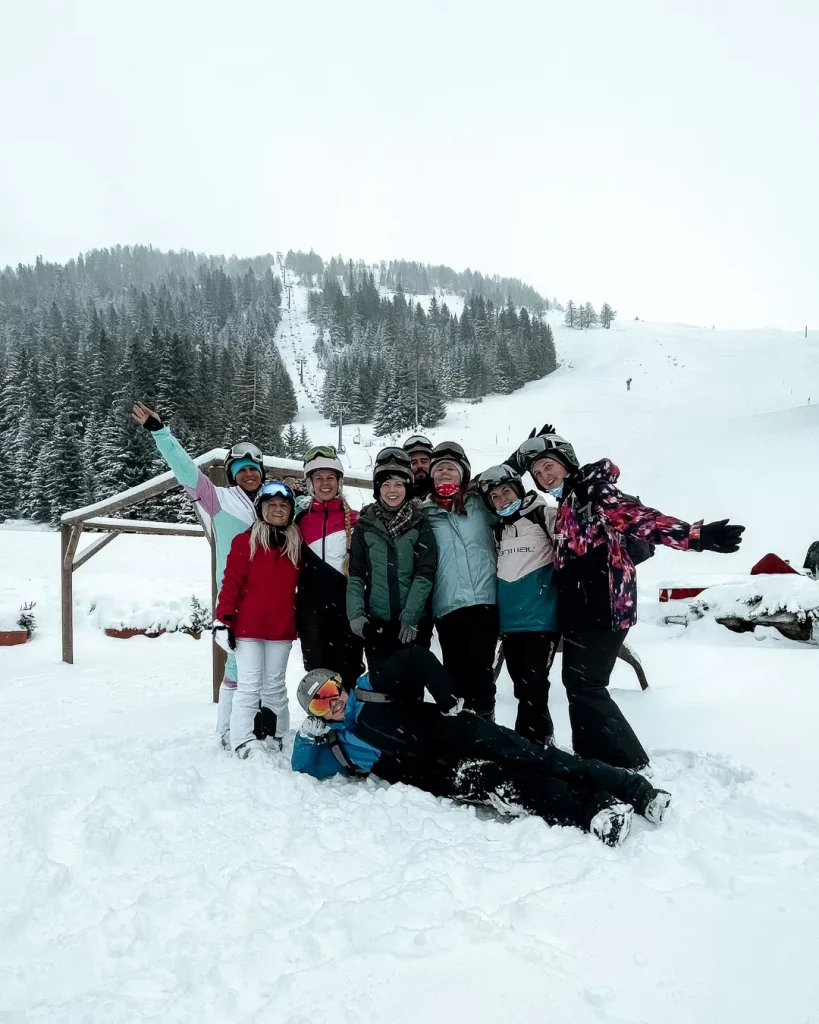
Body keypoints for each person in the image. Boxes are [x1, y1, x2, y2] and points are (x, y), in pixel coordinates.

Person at [516, 433, 745, 769]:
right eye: (537, 473)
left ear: (566, 462)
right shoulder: (567, 502)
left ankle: (629, 763)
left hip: (604, 603)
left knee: (587, 685)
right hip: (581, 606)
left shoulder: (592, 490)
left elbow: (637, 518)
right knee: (577, 684)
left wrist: (692, 536)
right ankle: (592, 757)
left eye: (548, 466)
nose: (544, 476)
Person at [291, 651, 672, 847]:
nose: (332, 703)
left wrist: (444, 697)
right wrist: (307, 738)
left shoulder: (367, 687)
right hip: (441, 774)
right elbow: (304, 770)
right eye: (319, 705)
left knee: (539, 757)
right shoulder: (340, 749)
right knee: (513, 787)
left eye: (330, 692)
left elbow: (416, 659)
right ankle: (597, 810)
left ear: (340, 686)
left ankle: (634, 790)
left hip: (458, 732)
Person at [131, 401, 264, 747]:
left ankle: (255, 725)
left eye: (254, 469)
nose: (249, 474)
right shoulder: (218, 499)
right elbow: (186, 472)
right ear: (234, 473)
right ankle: (227, 730)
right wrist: (161, 433)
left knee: (261, 668)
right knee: (236, 667)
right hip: (235, 599)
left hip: (268, 601)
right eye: (243, 469)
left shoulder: (273, 506)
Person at [213, 481, 301, 757]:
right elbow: (231, 584)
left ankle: (276, 734)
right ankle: (242, 739)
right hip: (247, 628)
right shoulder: (245, 541)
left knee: (275, 685)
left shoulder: (296, 544)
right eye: (271, 505)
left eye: (283, 505)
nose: (277, 509)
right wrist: (222, 620)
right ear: (260, 509)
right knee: (249, 685)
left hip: (281, 628)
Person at [477, 464, 560, 746]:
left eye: (506, 492)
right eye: (495, 497)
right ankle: (537, 742)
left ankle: (532, 743)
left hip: (541, 619)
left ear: (518, 490)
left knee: (534, 686)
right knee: (520, 686)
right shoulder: (498, 529)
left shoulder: (542, 514)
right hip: (510, 623)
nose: (502, 500)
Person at [421, 441, 498, 719]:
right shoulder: (423, 513)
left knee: (481, 672)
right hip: (447, 604)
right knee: (455, 678)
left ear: (463, 474)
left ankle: (488, 731)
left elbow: (508, 496)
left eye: (450, 469)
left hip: (484, 601)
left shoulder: (480, 505)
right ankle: (465, 736)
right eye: (439, 469)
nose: (444, 473)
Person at [347, 448, 437, 670]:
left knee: (412, 686)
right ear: (378, 489)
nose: (392, 490)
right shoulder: (365, 523)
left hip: (413, 623)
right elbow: (356, 573)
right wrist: (355, 614)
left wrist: (411, 615)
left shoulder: (419, 521)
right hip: (377, 623)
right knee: (383, 689)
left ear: (407, 487)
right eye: (386, 484)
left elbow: (425, 572)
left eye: (398, 484)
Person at [295, 444, 363, 689]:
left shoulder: (356, 520)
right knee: (317, 671)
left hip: (345, 607)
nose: (325, 483)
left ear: (339, 482)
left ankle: (349, 721)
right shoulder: (300, 520)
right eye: (319, 478)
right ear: (310, 483)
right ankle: (323, 723)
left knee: (349, 668)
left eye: (331, 478)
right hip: (311, 610)